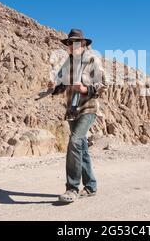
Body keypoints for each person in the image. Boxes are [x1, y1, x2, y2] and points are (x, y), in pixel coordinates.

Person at [48, 29, 107, 203]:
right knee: (81, 148)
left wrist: (85, 89)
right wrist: (54, 86)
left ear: (83, 44)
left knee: (74, 141)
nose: (72, 46)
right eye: (69, 43)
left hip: (88, 108)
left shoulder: (92, 60)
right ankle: (90, 186)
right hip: (72, 110)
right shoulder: (68, 64)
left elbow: (104, 84)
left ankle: (72, 188)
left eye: (76, 43)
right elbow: (61, 86)